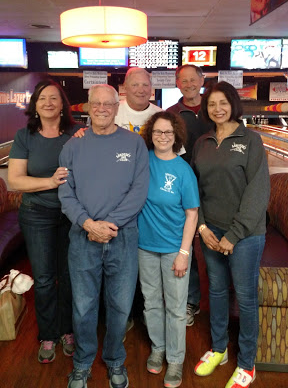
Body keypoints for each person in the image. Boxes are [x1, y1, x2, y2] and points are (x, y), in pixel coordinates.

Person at [58, 84, 149, 388]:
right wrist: (88, 224)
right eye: (95, 104)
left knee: (121, 304)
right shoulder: (73, 145)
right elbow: (65, 192)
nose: (101, 109)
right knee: (83, 306)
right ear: (87, 107)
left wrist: (109, 225)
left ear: (116, 107)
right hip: (83, 237)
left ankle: (114, 359)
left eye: (107, 104)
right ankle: (83, 363)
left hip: (122, 237)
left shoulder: (134, 143)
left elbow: (139, 191)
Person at [192, 81, 270, 388]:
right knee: (217, 292)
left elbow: (258, 190)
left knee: (246, 297)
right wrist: (202, 227)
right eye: (212, 104)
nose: (218, 109)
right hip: (211, 232)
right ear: (206, 108)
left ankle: (247, 363)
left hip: (246, 234)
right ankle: (219, 349)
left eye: (223, 102)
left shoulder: (251, 140)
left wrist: (234, 235)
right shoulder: (202, 142)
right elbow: (193, 189)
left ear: (233, 104)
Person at [8, 79, 82, 363]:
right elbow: (15, 180)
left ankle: (67, 331)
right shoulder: (24, 135)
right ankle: (48, 336)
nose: (49, 103)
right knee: (43, 279)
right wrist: (50, 181)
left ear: (63, 104)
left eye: (54, 98)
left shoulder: (77, 133)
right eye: (42, 99)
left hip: (71, 215)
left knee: (69, 277)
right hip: (37, 214)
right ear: (35, 106)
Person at [138, 111, 199, 388]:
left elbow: (192, 214)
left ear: (176, 137)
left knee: (175, 307)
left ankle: (175, 359)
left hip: (174, 249)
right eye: (157, 132)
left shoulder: (183, 170)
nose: (162, 137)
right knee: (151, 302)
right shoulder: (142, 161)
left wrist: (184, 253)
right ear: (150, 135)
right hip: (144, 248)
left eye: (168, 133)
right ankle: (158, 347)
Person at [167, 64, 211, 327]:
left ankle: (222, 300)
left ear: (202, 80)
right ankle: (191, 301)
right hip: (184, 186)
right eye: (184, 80)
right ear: (177, 83)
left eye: (193, 79)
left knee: (214, 242)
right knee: (188, 246)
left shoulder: (216, 106)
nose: (189, 84)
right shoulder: (172, 113)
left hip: (214, 186)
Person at [115, 67, 161, 133]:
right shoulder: (112, 112)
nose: (141, 90)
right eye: (135, 85)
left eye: (145, 85)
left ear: (151, 87)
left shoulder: (161, 115)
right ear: (125, 87)